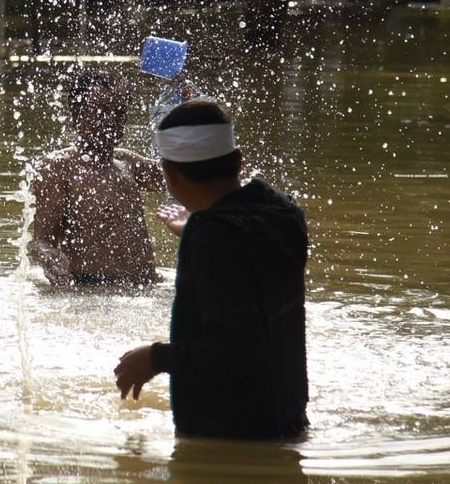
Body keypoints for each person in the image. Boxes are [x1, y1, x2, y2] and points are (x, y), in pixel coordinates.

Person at [114, 99, 310, 439]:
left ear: (170, 175)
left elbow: (234, 351)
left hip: (229, 436)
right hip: (286, 420)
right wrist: (196, 229)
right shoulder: (283, 213)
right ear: (238, 160)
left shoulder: (212, 237)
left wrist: (155, 358)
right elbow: (249, 265)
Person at [30, 68, 165, 287]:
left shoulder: (128, 163)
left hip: (146, 288)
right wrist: (50, 257)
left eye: (119, 112)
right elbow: (41, 240)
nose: (111, 120)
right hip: (91, 291)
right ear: (76, 112)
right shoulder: (58, 168)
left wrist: (195, 119)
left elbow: (191, 176)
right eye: (100, 110)